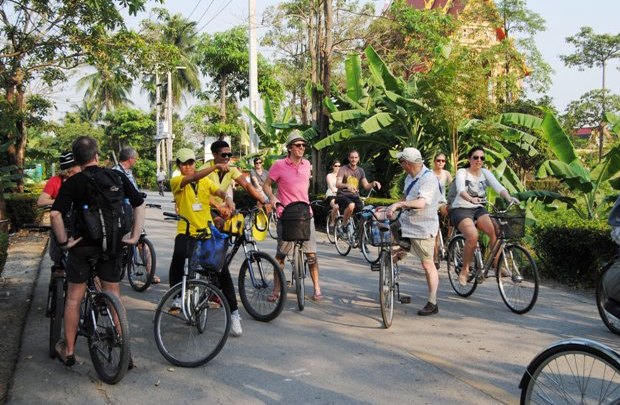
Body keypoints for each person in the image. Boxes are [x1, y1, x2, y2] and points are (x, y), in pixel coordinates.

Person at [50, 136, 145, 366]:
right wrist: (133, 235)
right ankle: (124, 349)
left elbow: (55, 215)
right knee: (114, 295)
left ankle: (70, 350)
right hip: (113, 245)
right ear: (97, 156)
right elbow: (139, 203)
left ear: (77, 159)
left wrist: (64, 243)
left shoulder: (74, 182)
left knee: (74, 298)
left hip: (82, 246)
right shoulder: (117, 175)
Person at [169, 148, 264, 337]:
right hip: (186, 231)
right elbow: (192, 178)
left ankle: (234, 314)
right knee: (179, 255)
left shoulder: (204, 182)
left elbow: (219, 191)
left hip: (206, 232)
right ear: (179, 166)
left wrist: (228, 199)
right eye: (184, 163)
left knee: (221, 270)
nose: (188, 166)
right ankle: (178, 296)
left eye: (191, 162)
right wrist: (214, 169)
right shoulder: (177, 181)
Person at [263, 131, 323, 301]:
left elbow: (305, 186)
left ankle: (317, 289)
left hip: (305, 214)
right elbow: (266, 185)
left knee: (311, 254)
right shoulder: (279, 165)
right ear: (289, 148)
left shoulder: (307, 164)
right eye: (298, 145)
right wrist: (273, 198)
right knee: (281, 254)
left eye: (303, 145)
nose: (301, 148)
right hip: (286, 214)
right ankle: (276, 290)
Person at [450, 146, 519, 287]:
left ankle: (496, 265)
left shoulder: (485, 173)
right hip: (461, 209)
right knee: (473, 236)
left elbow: (499, 187)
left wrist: (509, 197)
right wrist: (470, 198)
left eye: (482, 158)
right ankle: (464, 270)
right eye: (475, 157)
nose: (479, 160)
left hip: (478, 208)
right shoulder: (462, 172)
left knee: (496, 230)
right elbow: (461, 190)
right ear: (469, 159)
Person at [386, 147, 441, 316]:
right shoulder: (409, 178)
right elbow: (406, 198)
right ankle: (388, 281)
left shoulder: (429, 178)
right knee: (391, 252)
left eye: (401, 162)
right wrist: (391, 206)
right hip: (406, 224)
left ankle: (432, 302)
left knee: (427, 264)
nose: (401, 165)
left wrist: (399, 205)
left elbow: (421, 203)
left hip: (423, 227)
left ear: (408, 163)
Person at [200, 140, 268, 229]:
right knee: (220, 224)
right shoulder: (205, 170)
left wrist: (264, 201)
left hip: (222, 206)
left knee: (237, 226)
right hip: (206, 207)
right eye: (224, 155)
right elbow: (202, 194)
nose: (227, 158)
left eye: (229, 155)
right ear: (214, 154)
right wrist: (218, 206)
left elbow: (247, 185)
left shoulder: (231, 167)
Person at [38, 151, 81, 275]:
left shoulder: (82, 179)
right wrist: (61, 201)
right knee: (58, 261)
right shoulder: (55, 181)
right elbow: (41, 201)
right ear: (70, 169)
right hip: (60, 221)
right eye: (77, 166)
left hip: (78, 222)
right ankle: (58, 275)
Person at [335, 149, 381, 230]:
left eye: (356, 157)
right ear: (349, 158)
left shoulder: (360, 170)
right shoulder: (343, 169)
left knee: (364, 213)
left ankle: (359, 235)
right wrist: (347, 185)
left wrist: (373, 183)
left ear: (358, 158)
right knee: (351, 205)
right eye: (352, 157)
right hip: (343, 195)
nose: (354, 159)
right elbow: (337, 184)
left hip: (355, 196)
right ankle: (344, 225)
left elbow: (366, 185)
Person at [432, 152, 452, 268]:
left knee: (452, 214)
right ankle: (435, 257)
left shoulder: (446, 174)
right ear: (434, 161)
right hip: (431, 204)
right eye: (438, 160)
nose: (440, 163)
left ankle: (448, 241)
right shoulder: (429, 174)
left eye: (443, 161)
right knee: (434, 230)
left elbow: (454, 186)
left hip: (442, 203)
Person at [325, 159, 341, 227]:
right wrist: (334, 189)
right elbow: (331, 186)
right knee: (336, 206)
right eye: (336, 166)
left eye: (339, 166)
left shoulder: (342, 176)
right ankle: (332, 221)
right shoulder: (329, 175)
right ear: (333, 166)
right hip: (331, 194)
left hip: (340, 194)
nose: (337, 167)